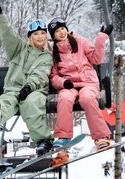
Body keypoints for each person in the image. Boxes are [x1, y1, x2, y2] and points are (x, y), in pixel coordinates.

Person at [0, 1, 54, 155]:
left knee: (31, 103)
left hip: (35, 90)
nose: (40, 36)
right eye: (36, 34)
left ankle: (43, 140)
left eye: (42, 33)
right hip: (14, 88)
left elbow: (40, 74)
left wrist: (29, 86)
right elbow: (8, 34)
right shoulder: (19, 49)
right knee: (6, 101)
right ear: (30, 37)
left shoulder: (47, 56)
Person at [48, 17, 113, 151]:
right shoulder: (54, 53)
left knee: (88, 99)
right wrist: (63, 82)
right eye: (57, 31)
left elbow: (96, 58)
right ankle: (64, 137)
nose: (61, 32)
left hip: (87, 82)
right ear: (53, 36)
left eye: (62, 28)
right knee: (64, 98)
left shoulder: (80, 41)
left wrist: (101, 39)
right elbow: (53, 76)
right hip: (69, 85)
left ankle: (101, 137)